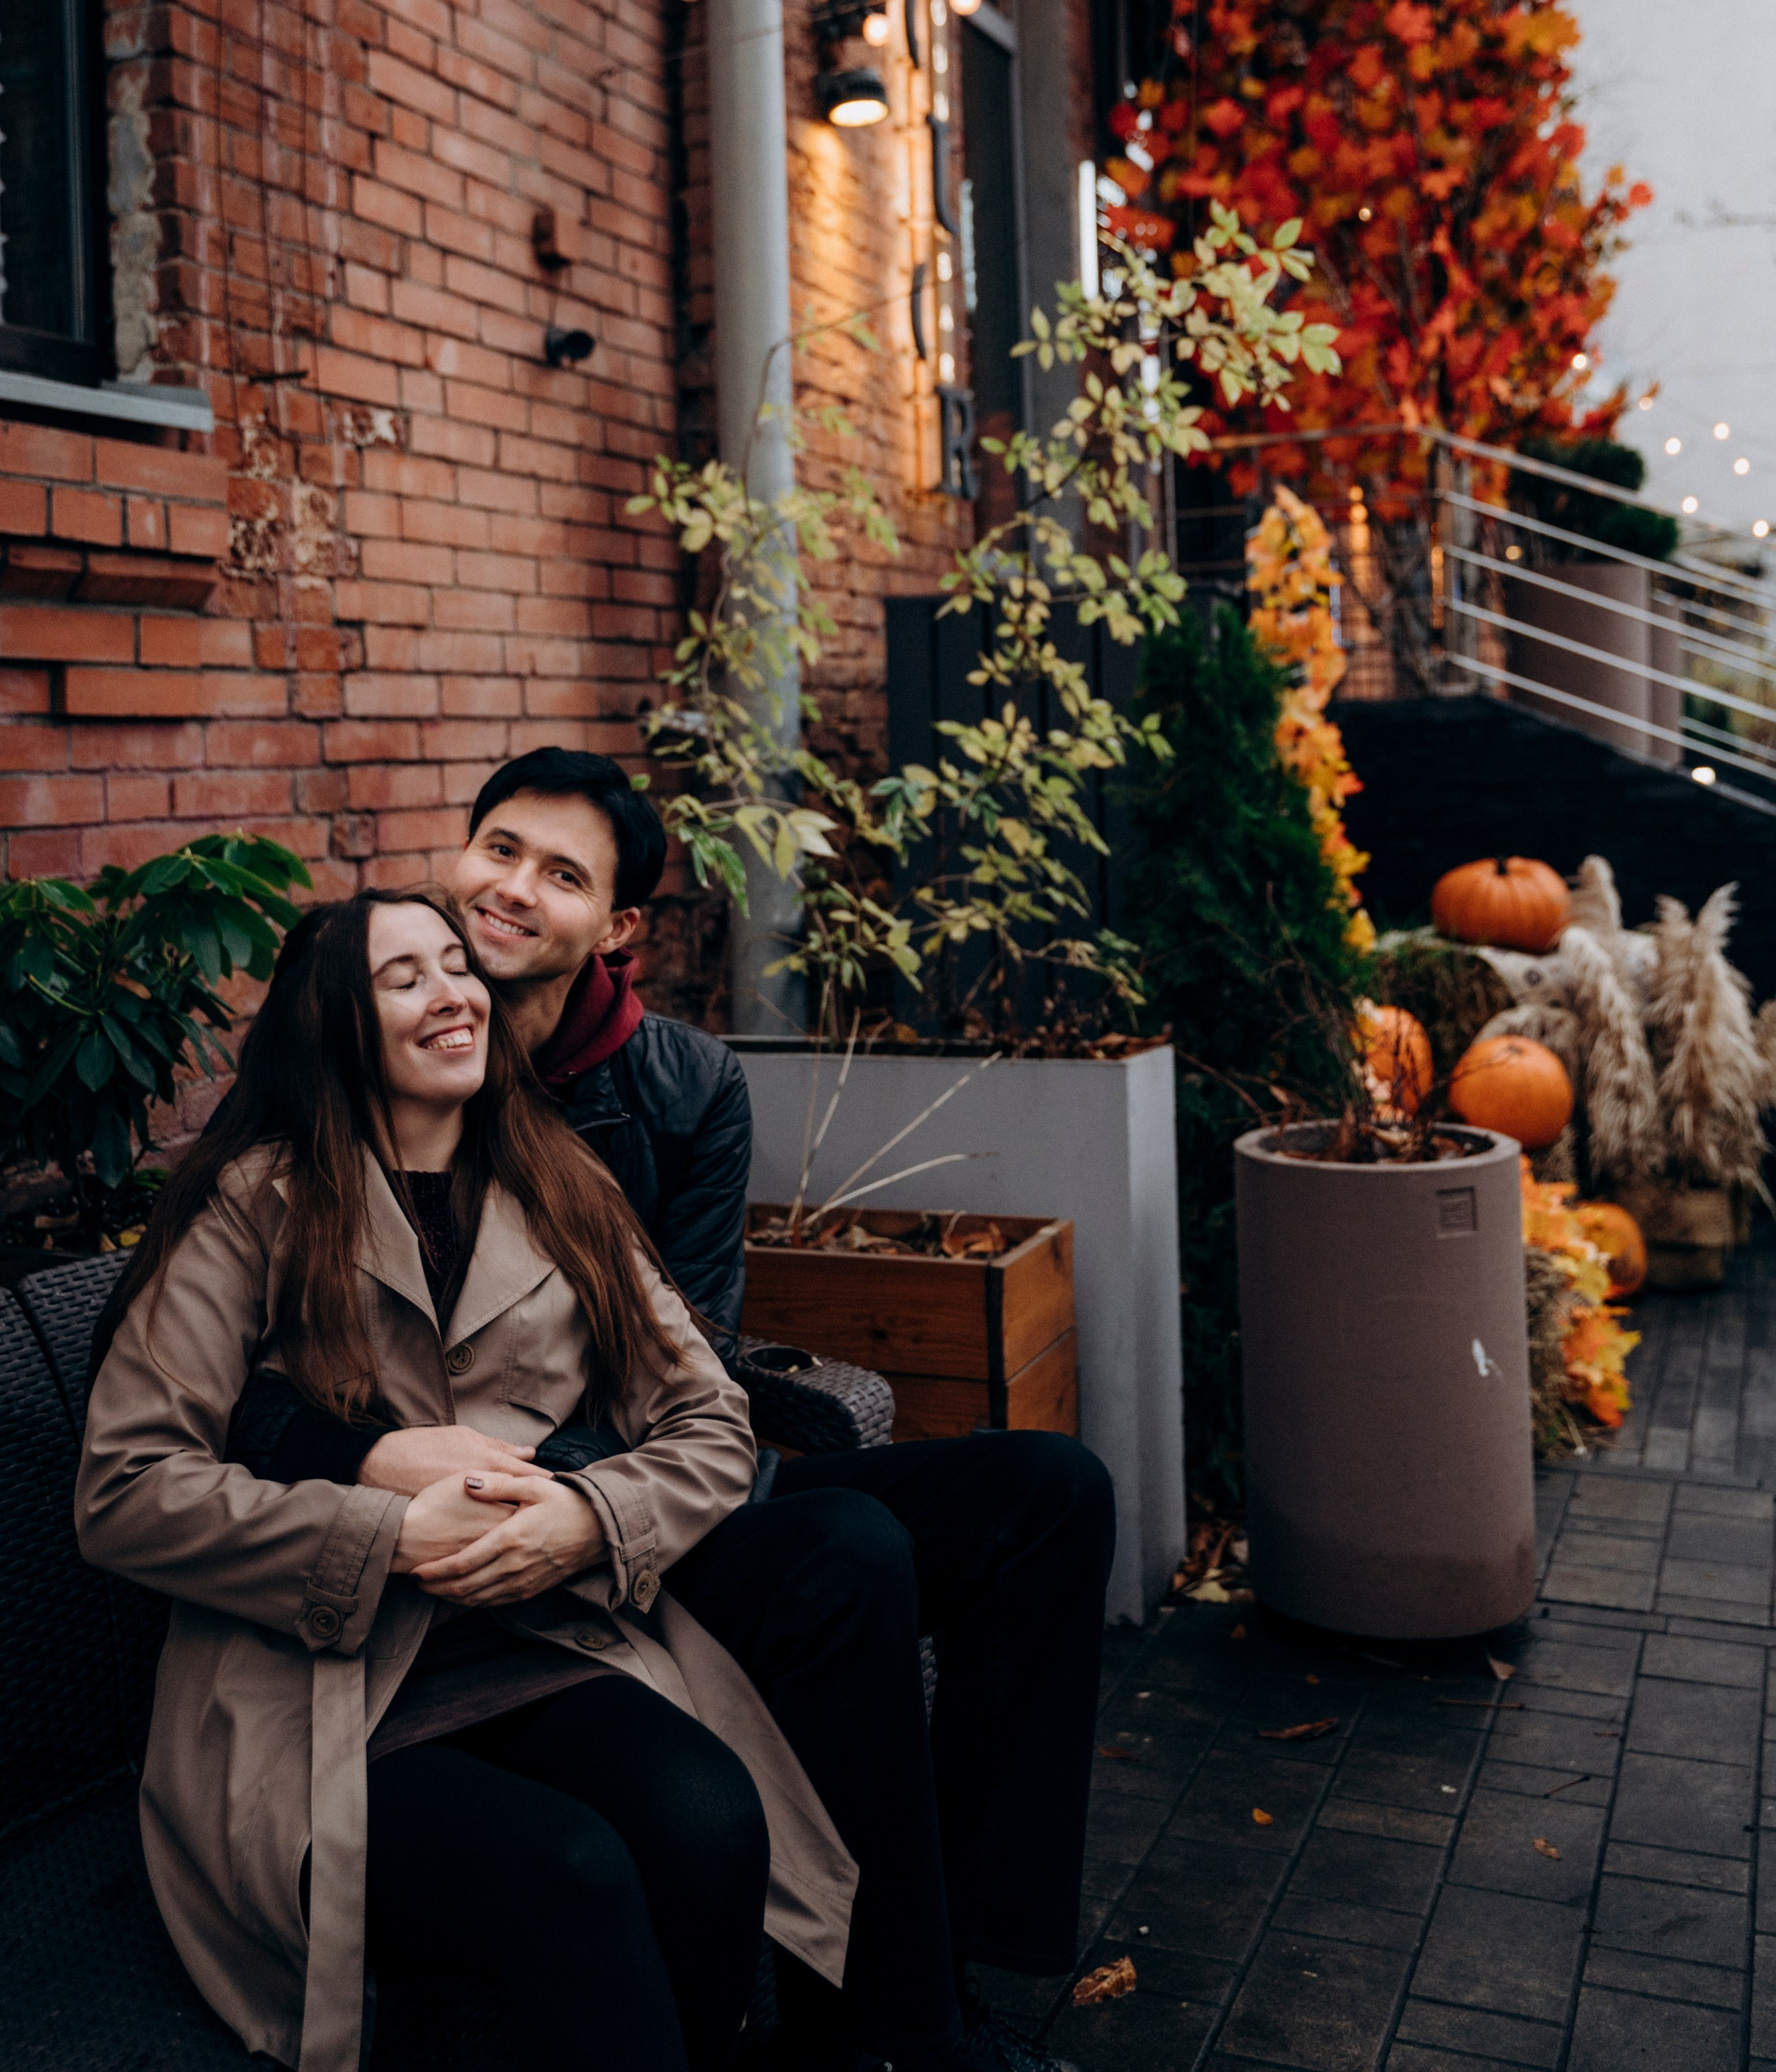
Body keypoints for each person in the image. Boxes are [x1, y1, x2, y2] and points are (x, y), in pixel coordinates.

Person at [82, 889, 1113, 2072]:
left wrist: (590, 1514)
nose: (452, 993)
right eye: (403, 978)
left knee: (712, 1816)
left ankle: (897, 2031)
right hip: (324, 1673)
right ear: (334, 1027)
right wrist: (384, 1528)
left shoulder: (556, 1181)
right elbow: (125, 1484)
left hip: (548, 1631)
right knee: (582, 1862)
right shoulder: (252, 1204)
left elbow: (707, 1414)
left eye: (457, 965)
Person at [449, 744, 753, 1332]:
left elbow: (693, 1334)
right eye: (502, 851)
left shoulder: (696, 1086)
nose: (515, 889)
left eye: (564, 876)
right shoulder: (356, 1027)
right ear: (465, 854)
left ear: (615, 928)